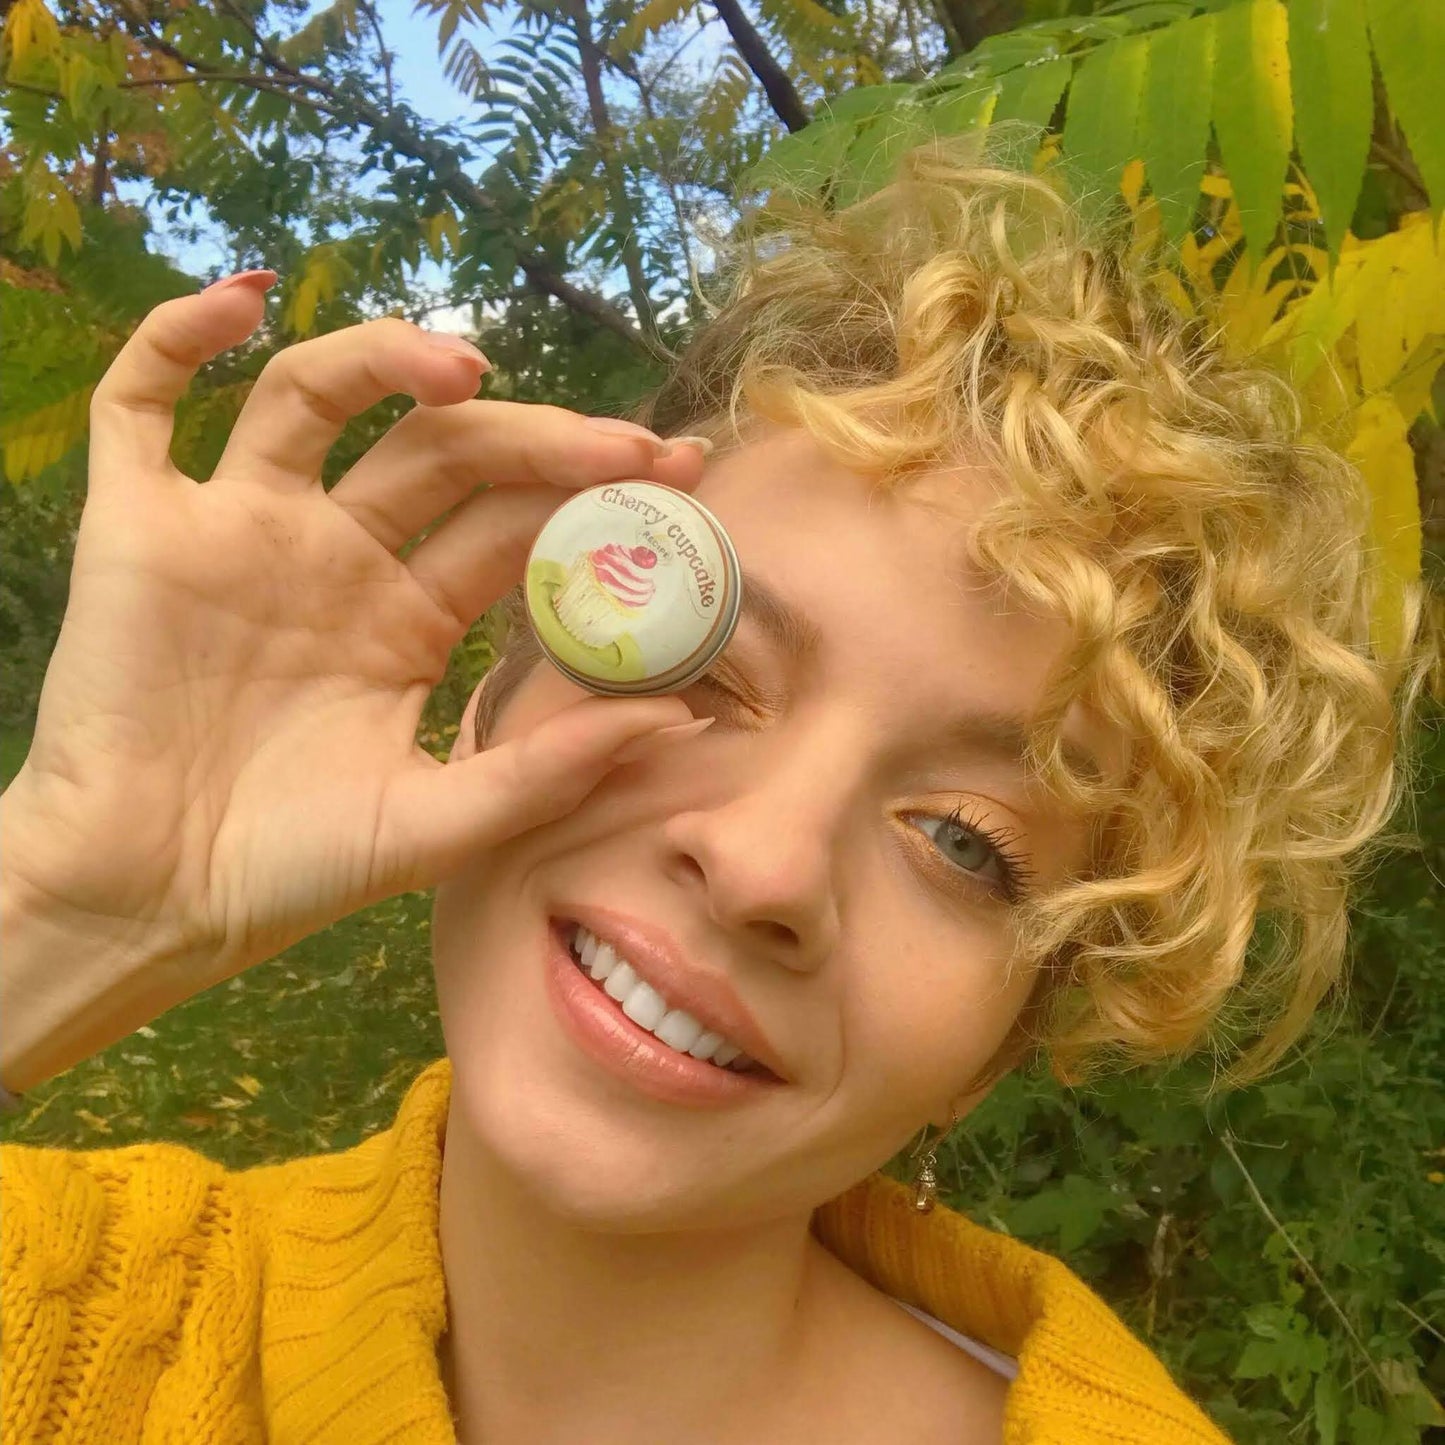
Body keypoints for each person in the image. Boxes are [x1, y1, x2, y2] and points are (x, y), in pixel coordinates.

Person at [0, 150, 1427, 1445]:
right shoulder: (68, 1318)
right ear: (500, 685)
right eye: (707, 673)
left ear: (1002, 1038)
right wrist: (61, 911)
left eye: (964, 843)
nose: (761, 862)